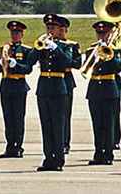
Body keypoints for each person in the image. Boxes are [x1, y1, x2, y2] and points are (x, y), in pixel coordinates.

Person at [34, 12, 81, 171]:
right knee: (46, 125)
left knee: (58, 125)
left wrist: (55, 48)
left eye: (52, 27)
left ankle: (59, 159)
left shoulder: (65, 46)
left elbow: (68, 62)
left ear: (58, 29)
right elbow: (30, 62)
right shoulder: (43, 44)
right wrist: (38, 45)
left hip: (59, 87)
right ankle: (48, 158)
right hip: (43, 88)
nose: (50, 30)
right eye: (48, 27)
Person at [84, 18, 121, 165]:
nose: (101, 36)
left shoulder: (115, 49)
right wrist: (95, 54)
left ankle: (108, 153)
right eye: (99, 33)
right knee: (97, 124)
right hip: (94, 89)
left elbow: (119, 67)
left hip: (109, 89)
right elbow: (86, 68)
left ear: (109, 33)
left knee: (108, 123)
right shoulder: (91, 49)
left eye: (104, 33)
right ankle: (98, 152)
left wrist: (108, 54)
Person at [0, 20, 37, 158]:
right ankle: (10, 146)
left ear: (22, 34)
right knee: (8, 118)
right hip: (6, 85)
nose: (15, 35)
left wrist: (15, 65)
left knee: (18, 118)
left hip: (19, 85)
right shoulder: (4, 48)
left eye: (17, 33)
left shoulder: (26, 50)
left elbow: (28, 69)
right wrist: (1, 62)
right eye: (13, 33)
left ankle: (18, 146)